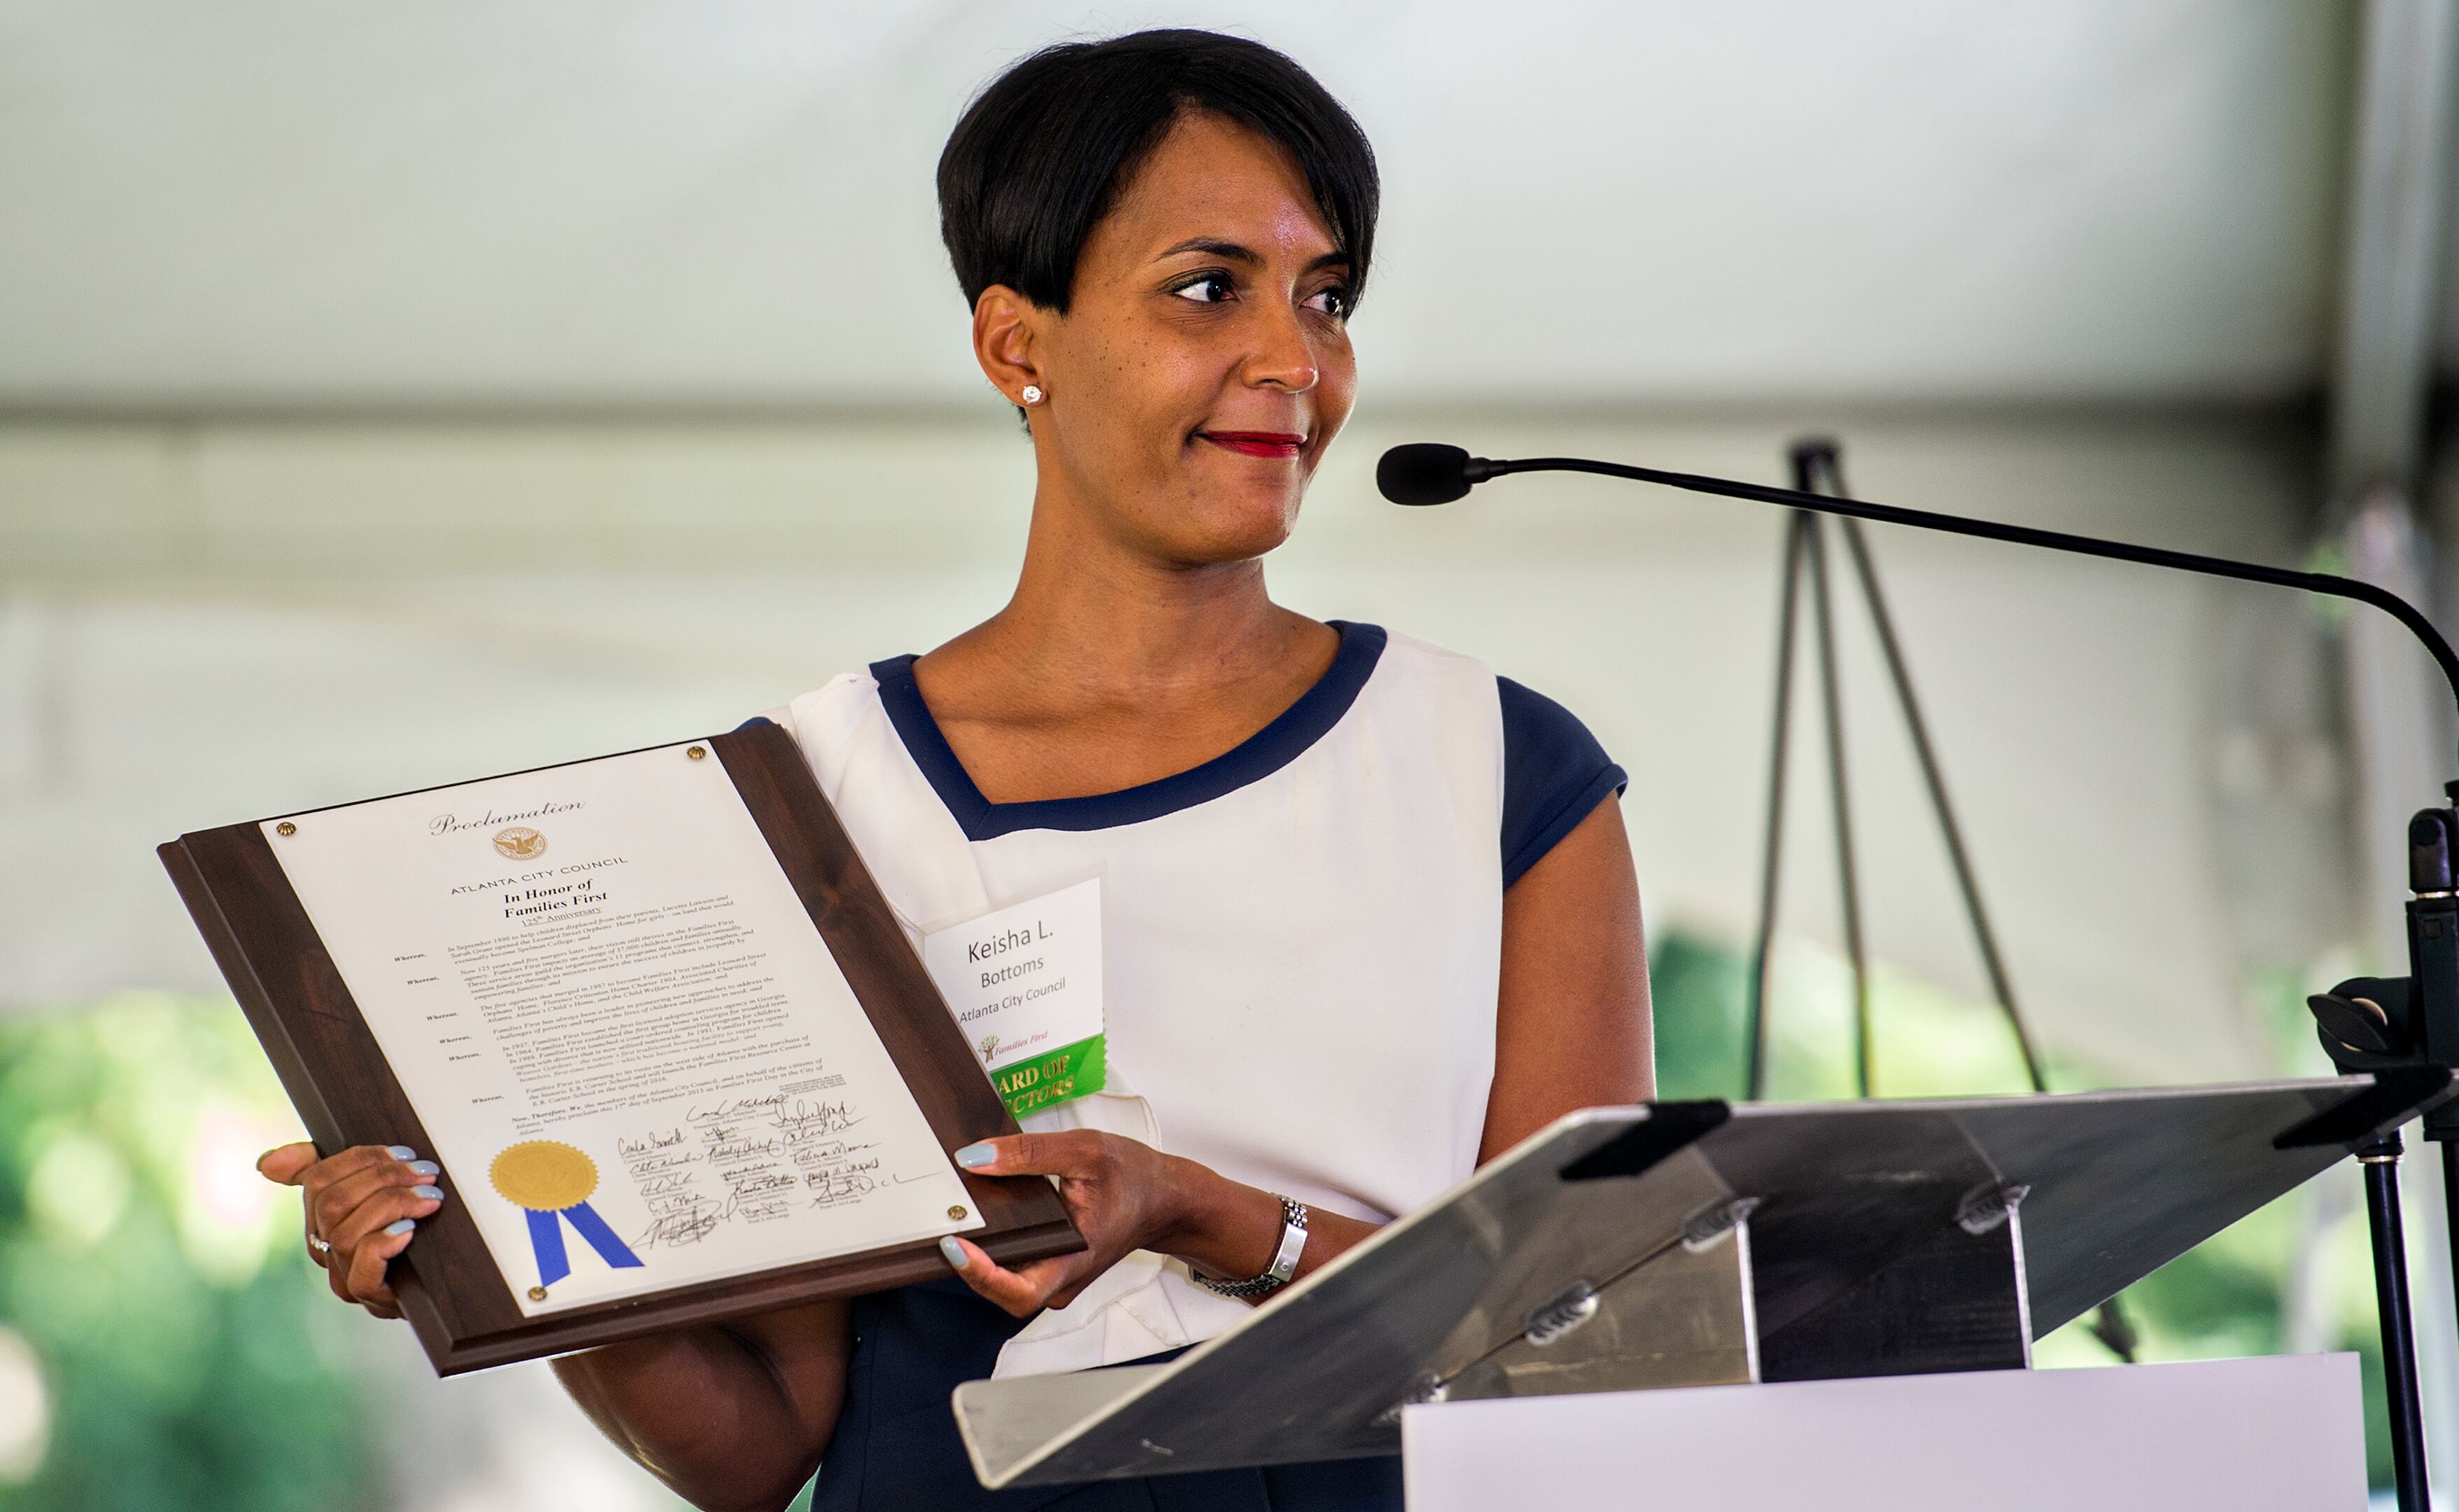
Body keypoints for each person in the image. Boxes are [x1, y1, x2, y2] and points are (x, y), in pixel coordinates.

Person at [258, 29, 1652, 1512]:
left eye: (1328, 298)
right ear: (1016, 345)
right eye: (1207, 288)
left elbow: (1601, 1326)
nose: (1293, 361)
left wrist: (1214, 1215)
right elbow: (754, 1446)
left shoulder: (1500, 765)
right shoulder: (810, 792)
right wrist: (485, 1248)